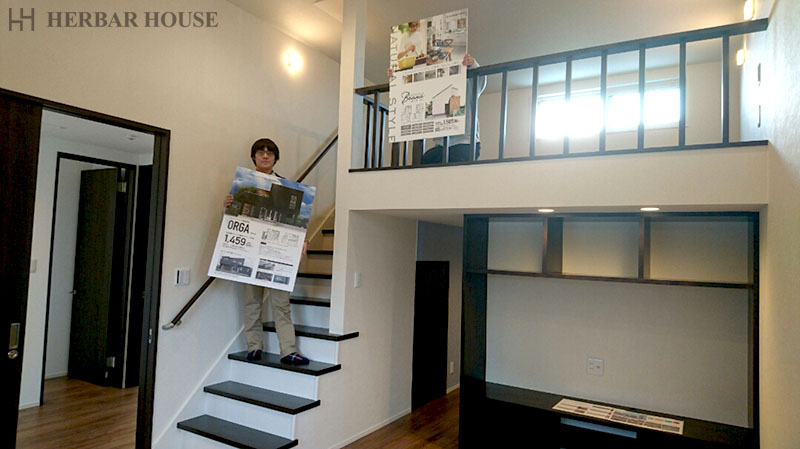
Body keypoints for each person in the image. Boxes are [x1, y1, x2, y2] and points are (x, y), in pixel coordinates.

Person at [223, 138, 310, 365]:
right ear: (253, 156)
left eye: (269, 153)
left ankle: (288, 350)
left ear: (275, 158)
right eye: (260, 152)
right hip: (249, 251)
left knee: (281, 303)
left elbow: (295, 220)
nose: (264, 156)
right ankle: (254, 347)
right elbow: (234, 221)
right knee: (252, 302)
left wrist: (303, 240)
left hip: (276, 252)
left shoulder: (287, 188)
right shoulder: (243, 185)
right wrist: (228, 205)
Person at [388, 54, 487, 163]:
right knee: (425, 160)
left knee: (454, 167)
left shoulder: (466, 83)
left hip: (465, 142)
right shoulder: (434, 88)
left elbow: (480, 80)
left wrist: (473, 65)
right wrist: (396, 79)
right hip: (441, 145)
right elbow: (411, 95)